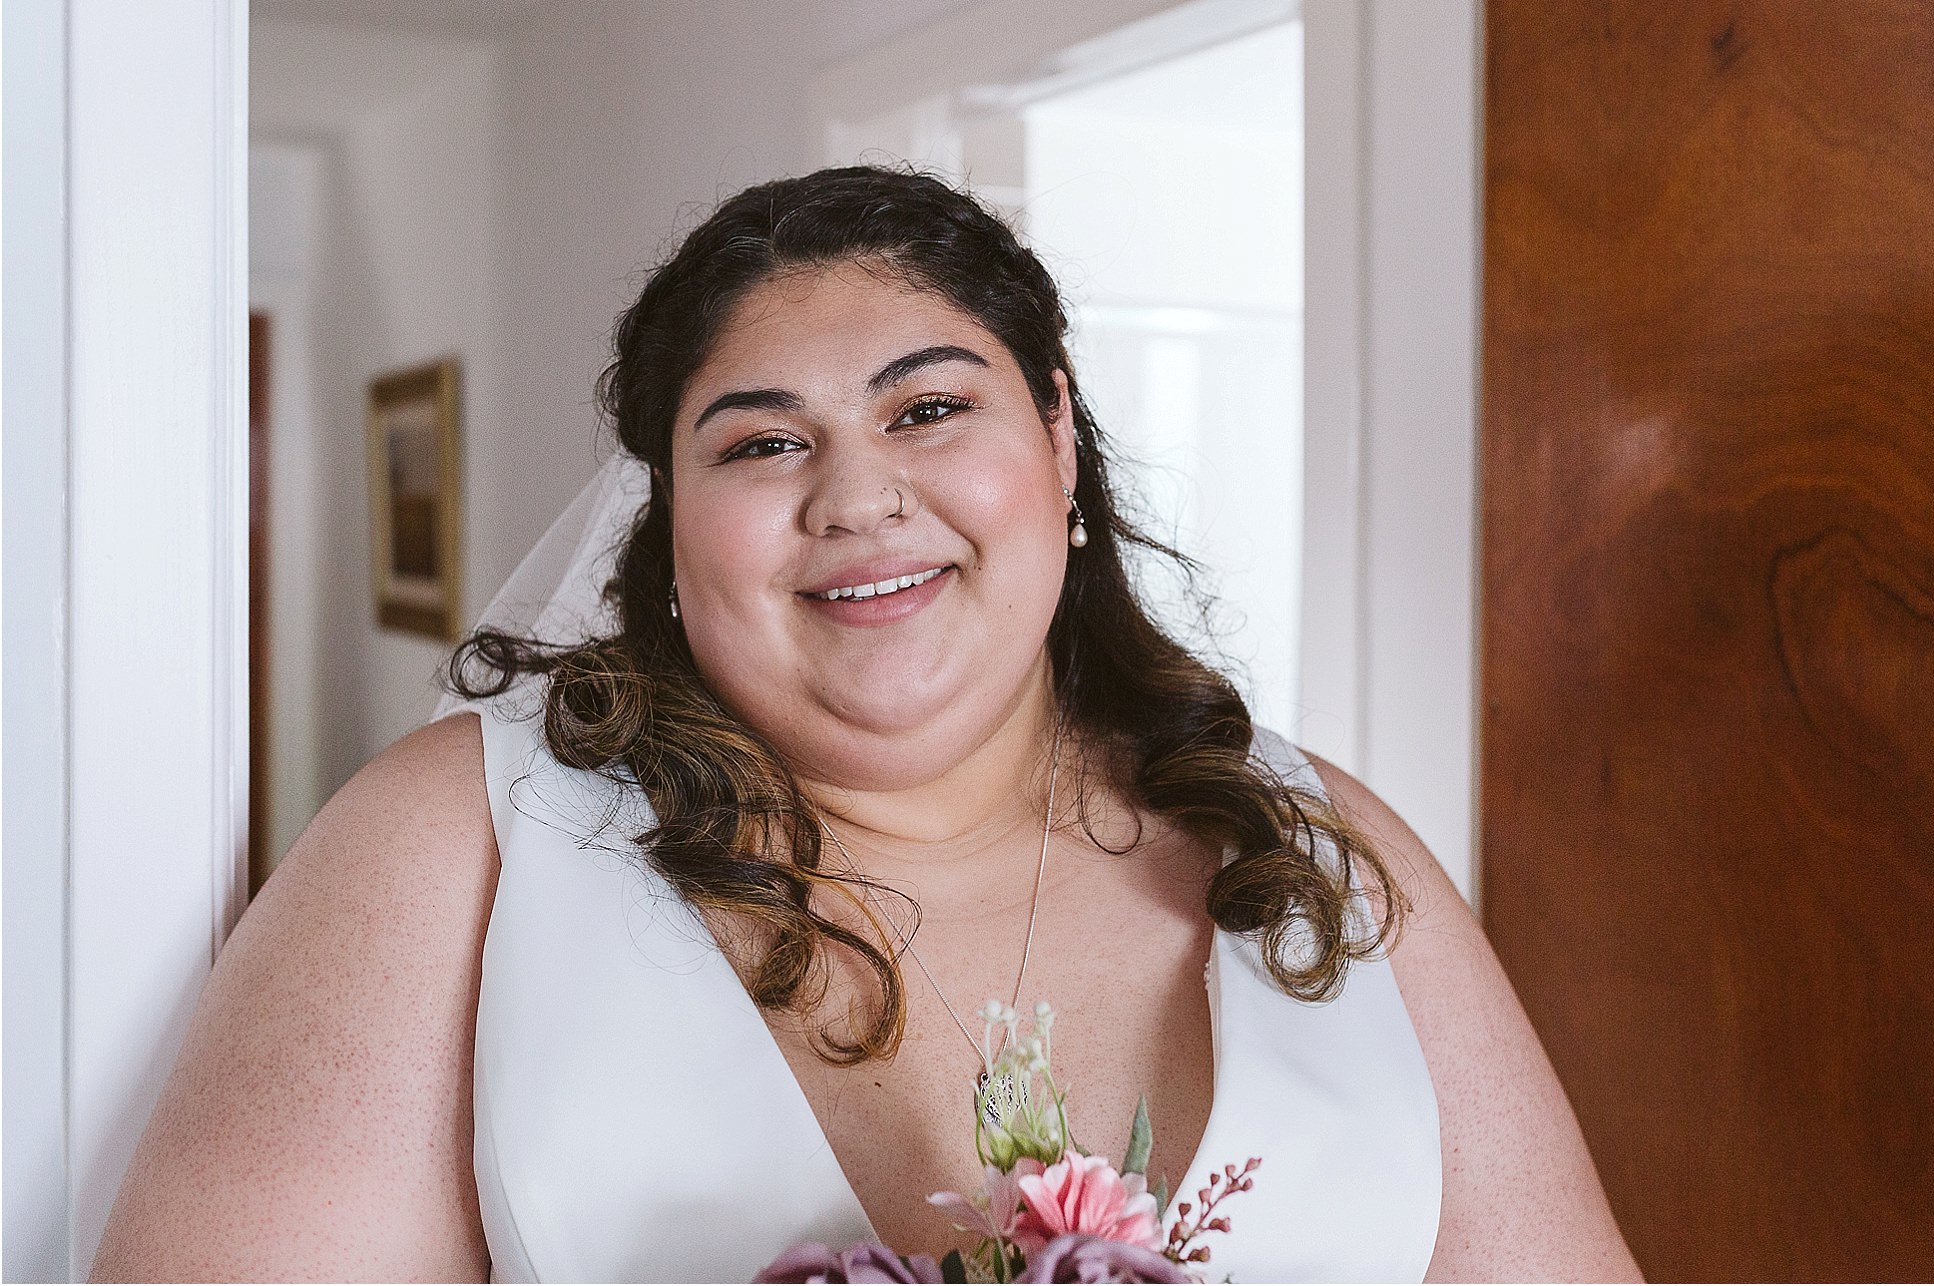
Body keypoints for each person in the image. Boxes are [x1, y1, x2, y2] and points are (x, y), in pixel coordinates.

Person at [90, 167, 1641, 1283]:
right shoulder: (462, 846)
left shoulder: (1324, 847)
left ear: (1058, 436)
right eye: (764, 443)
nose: (857, 496)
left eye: (928, 409)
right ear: (671, 529)